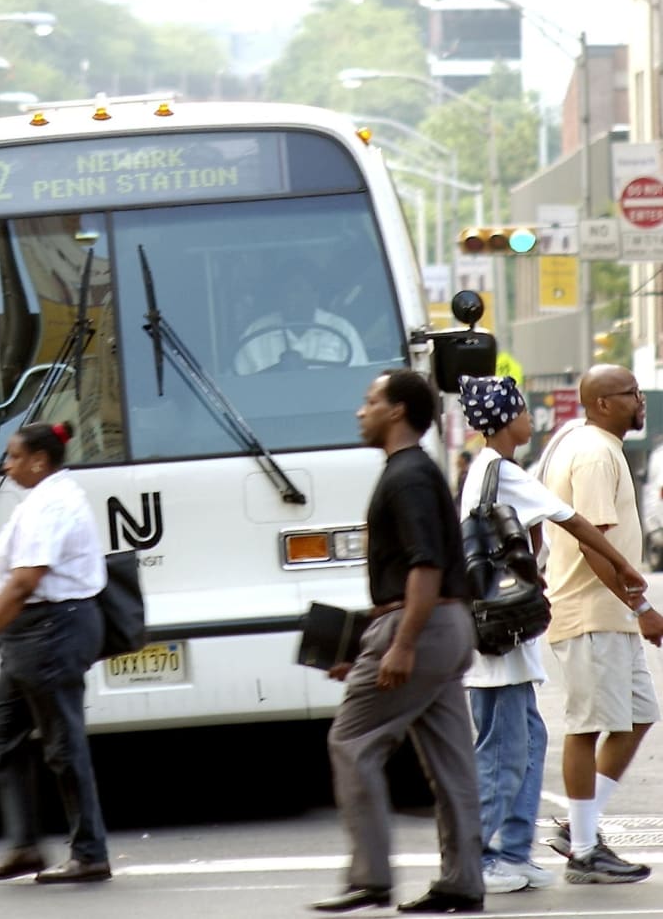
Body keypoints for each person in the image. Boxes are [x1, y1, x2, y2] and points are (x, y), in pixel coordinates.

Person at [457, 375, 648, 895]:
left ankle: (514, 853)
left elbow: (531, 525)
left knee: (530, 741)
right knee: (503, 753)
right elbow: (578, 524)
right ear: (505, 419)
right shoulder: (502, 469)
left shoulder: (493, 470)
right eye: (522, 410)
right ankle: (478, 858)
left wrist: (535, 565)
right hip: (502, 640)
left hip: (506, 639)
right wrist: (631, 578)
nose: (530, 418)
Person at [313, 370, 484, 915]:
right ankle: (462, 882)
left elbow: (425, 564)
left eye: (370, 402)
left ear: (397, 411)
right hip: (447, 627)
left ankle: (371, 876)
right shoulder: (418, 471)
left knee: (352, 740)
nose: (360, 411)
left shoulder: (406, 476)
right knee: (452, 764)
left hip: (424, 625)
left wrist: (401, 644)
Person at [0, 420, 111, 884]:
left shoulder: (52, 504)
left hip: (51, 631)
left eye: (13, 457)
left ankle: (90, 853)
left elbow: (24, 582)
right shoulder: (40, 500)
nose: (6, 465)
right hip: (32, 635)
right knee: (3, 731)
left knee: (63, 743)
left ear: (39, 461)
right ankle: (24, 847)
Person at [537, 364, 663, 885]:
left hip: (609, 616)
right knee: (586, 726)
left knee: (638, 715)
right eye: (631, 393)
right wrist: (642, 608)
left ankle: (578, 827)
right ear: (603, 403)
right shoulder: (591, 453)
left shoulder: (601, 447)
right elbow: (593, 545)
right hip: (590, 614)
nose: (641, 401)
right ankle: (585, 851)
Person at [234, 261, 367, 375]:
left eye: (296, 289)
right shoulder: (255, 333)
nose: (290, 297)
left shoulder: (342, 330)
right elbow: (239, 385)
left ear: (316, 294)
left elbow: (360, 380)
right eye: (285, 291)